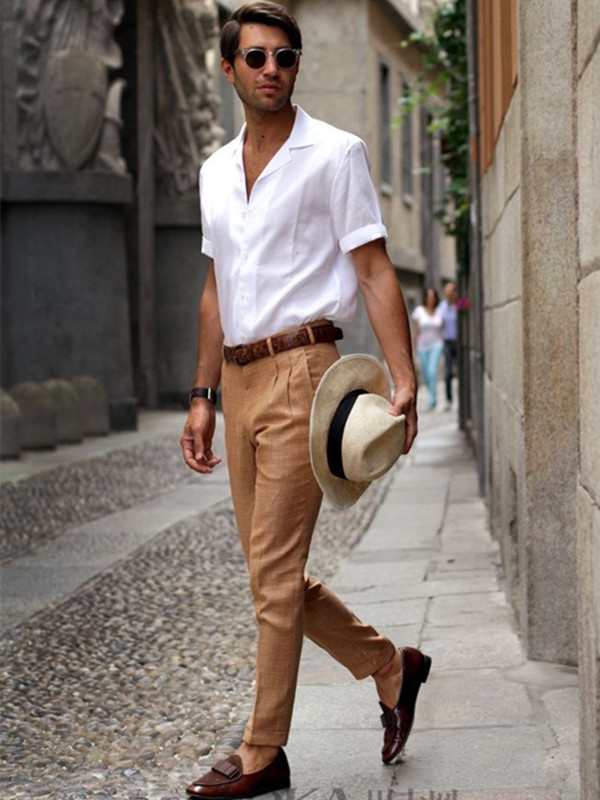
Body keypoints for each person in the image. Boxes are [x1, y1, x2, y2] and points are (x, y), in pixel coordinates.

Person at [180, 4, 430, 796]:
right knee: (272, 574)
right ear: (229, 69)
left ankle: (262, 750)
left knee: (274, 574)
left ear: (295, 66)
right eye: (256, 57)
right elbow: (216, 288)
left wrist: (404, 378)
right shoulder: (215, 172)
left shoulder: (335, 154)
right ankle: (390, 667)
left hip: (304, 374)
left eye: (285, 56)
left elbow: (374, 268)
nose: (272, 69)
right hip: (239, 378)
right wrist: (202, 395)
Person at [411, 288, 444, 410]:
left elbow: (443, 329)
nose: (430, 299)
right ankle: (431, 393)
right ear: (425, 298)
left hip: (436, 344)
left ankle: (432, 399)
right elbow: (416, 331)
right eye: (428, 296)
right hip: (422, 346)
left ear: (435, 298)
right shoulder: (419, 311)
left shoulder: (440, 312)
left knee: (432, 371)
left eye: (433, 296)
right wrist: (413, 348)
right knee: (425, 374)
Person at [439, 281, 458, 411]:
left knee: (463, 372)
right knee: (448, 372)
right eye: (446, 291)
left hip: (460, 343)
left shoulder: (461, 303)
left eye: (449, 291)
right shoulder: (442, 306)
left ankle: (463, 399)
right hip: (447, 342)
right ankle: (449, 400)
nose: (447, 294)